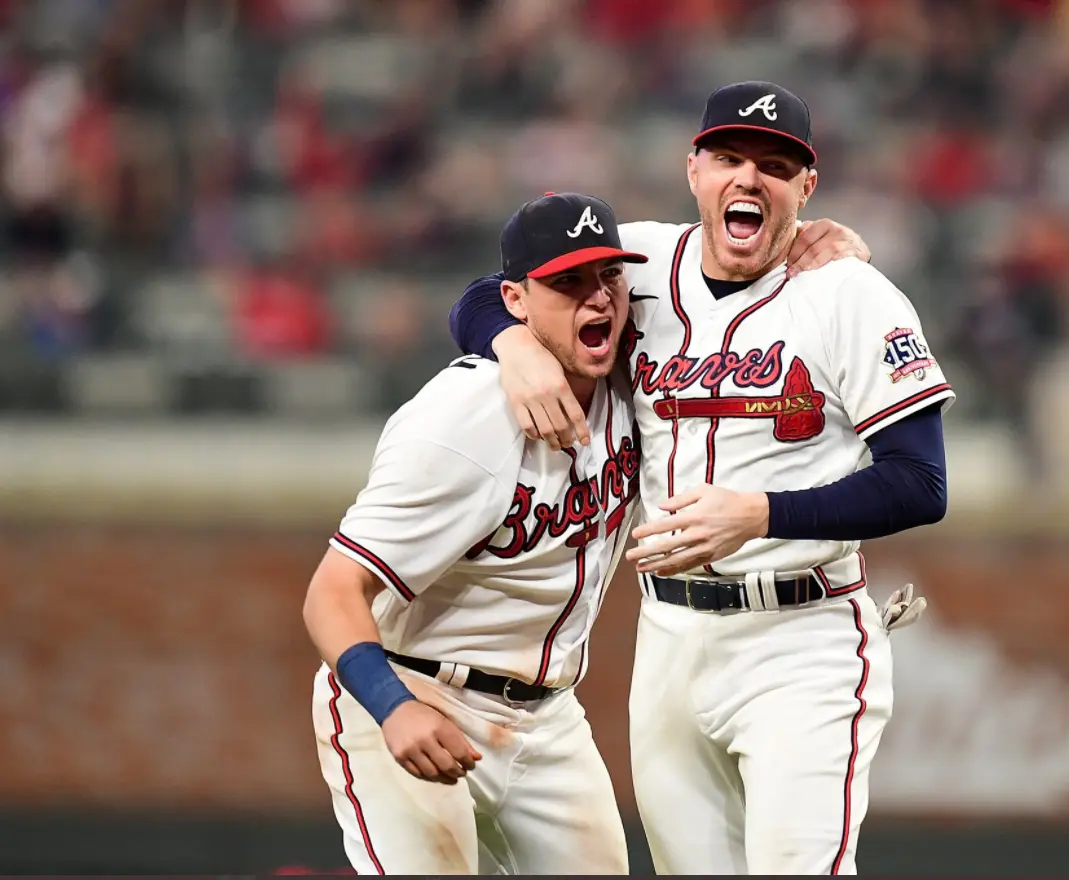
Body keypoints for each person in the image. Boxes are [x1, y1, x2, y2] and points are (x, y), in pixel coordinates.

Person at [450, 81, 952, 875]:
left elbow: (921, 483)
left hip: (803, 636)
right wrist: (510, 346)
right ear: (694, 171)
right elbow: (489, 293)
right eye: (728, 158)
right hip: (670, 637)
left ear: (806, 187)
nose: (748, 178)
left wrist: (759, 513)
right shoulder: (640, 261)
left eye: (775, 166)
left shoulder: (851, 293)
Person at [302, 192, 651, 875]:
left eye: (608, 276)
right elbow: (331, 592)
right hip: (416, 685)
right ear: (517, 300)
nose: (599, 300)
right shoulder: (463, 420)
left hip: (548, 719)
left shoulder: (632, 382)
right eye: (568, 283)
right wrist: (391, 706)